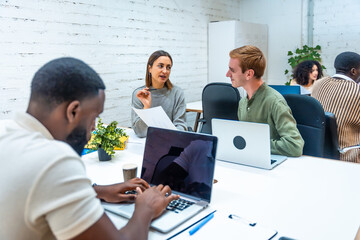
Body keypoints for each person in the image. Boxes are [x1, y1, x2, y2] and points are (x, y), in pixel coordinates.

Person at [0, 57, 179, 240]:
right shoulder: (54, 160)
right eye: (94, 117)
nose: (94, 128)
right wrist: (145, 209)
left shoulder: (5, 131)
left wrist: (96, 190)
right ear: (73, 112)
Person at [226, 45, 304, 157]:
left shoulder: (275, 102)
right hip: (252, 159)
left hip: (274, 166)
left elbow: (295, 146)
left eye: (232, 70)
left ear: (249, 74)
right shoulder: (243, 103)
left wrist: (256, 144)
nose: (227, 74)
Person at [312, 51, 360, 163]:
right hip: (350, 156)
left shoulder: (318, 84)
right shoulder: (357, 91)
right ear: (353, 71)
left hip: (320, 152)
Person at [131, 50, 187, 137]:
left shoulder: (177, 93)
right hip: (146, 143)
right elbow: (140, 132)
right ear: (150, 68)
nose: (165, 71)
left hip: (170, 141)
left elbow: (181, 127)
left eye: (168, 67)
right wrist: (146, 108)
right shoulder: (139, 94)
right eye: (160, 66)